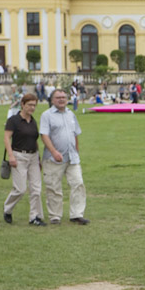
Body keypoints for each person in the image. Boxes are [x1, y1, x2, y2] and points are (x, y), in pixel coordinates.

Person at [40, 89, 89, 225]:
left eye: (63, 97)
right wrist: (54, 152)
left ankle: (77, 214)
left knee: (78, 184)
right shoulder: (47, 115)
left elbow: (75, 134)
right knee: (54, 187)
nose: (61, 100)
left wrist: (77, 151)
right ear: (52, 100)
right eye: (58, 97)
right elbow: (44, 135)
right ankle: (55, 216)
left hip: (72, 157)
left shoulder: (71, 114)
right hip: (53, 158)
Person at [2, 94, 46, 226]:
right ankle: (8, 209)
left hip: (33, 156)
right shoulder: (14, 120)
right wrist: (11, 156)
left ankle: (34, 217)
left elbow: (35, 140)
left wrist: (38, 160)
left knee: (36, 189)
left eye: (34, 105)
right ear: (22, 104)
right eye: (29, 105)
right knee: (20, 189)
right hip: (18, 156)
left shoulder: (33, 121)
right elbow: (6, 138)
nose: (32, 108)